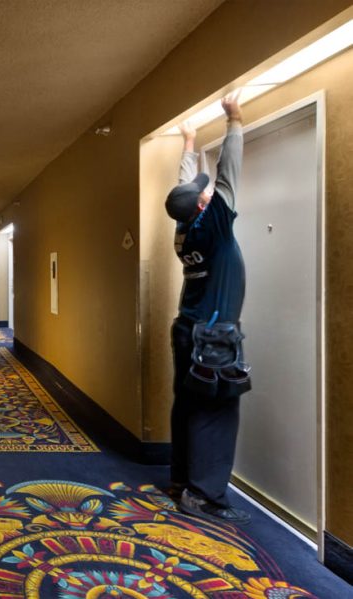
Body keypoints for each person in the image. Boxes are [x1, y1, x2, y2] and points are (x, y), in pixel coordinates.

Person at [166, 91, 251, 525]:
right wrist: (234, 121)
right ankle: (203, 495)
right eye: (204, 193)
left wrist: (189, 143)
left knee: (187, 405)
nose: (208, 190)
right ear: (203, 205)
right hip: (215, 337)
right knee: (215, 415)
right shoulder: (213, 225)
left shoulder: (184, 228)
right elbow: (228, 176)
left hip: (189, 330)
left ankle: (183, 478)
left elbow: (186, 187)